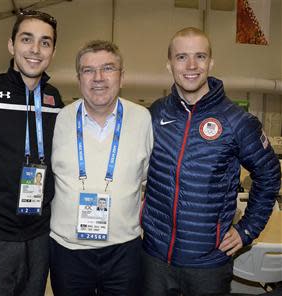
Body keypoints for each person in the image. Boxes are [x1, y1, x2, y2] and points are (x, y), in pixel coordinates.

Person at [141, 27, 281, 296]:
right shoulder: (156, 113)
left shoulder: (237, 121)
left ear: (211, 62)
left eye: (200, 57)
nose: (191, 66)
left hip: (207, 265)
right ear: (169, 64)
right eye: (182, 57)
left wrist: (247, 229)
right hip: (154, 258)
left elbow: (270, 175)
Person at [0, 10, 64, 296]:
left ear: (53, 51)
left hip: (39, 233)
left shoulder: (54, 99)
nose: (35, 49)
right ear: (11, 45)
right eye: (26, 39)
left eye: (45, 42)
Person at [50, 40, 153, 296]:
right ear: (78, 78)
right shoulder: (59, 119)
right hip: (68, 251)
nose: (98, 78)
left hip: (124, 251)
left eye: (108, 68)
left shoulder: (142, 119)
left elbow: (146, 178)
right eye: (88, 70)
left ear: (122, 76)